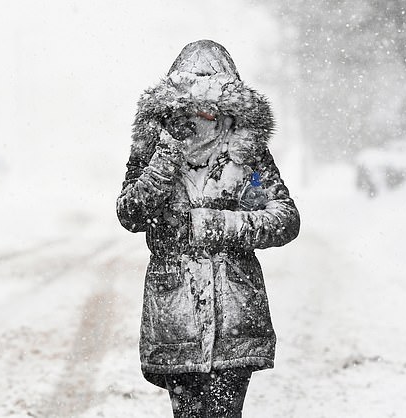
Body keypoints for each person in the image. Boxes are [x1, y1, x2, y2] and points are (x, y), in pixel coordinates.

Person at [116, 40, 300, 417]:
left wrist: (220, 225)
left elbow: (284, 219)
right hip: (175, 316)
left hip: (236, 315)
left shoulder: (247, 153)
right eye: (191, 103)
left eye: (212, 104)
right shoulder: (154, 149)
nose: (202, 114)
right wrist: (164, 160)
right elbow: (130, 214)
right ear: (175, 103)